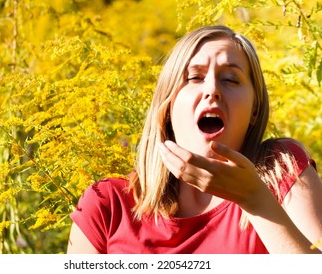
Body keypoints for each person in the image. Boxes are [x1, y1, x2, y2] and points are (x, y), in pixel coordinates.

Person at [67, 25, 322, 254]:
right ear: (167, 106)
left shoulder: (280, 171)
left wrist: (254, 199)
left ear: (255, 109)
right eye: (194, 77)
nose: (212, 89)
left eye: (231, 79)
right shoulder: (108, 205)